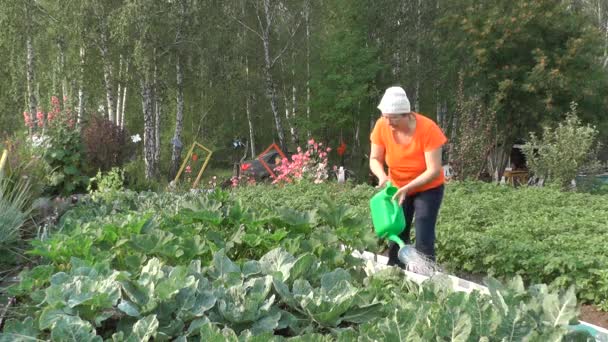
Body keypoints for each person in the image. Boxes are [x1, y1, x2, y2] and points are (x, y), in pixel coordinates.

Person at [369, 86, 447, 267]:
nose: (388, 123)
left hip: (427, 188)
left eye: (393, 118)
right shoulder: (382, 126)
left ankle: (426, 277)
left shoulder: (428, 129)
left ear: (407, 114)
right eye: (385, 117)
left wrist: (408, 187)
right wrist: (382, 177)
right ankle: (395, 274)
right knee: (397, 231)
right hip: (397, 188)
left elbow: (433, 170)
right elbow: (374, 158)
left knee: (423, 233)